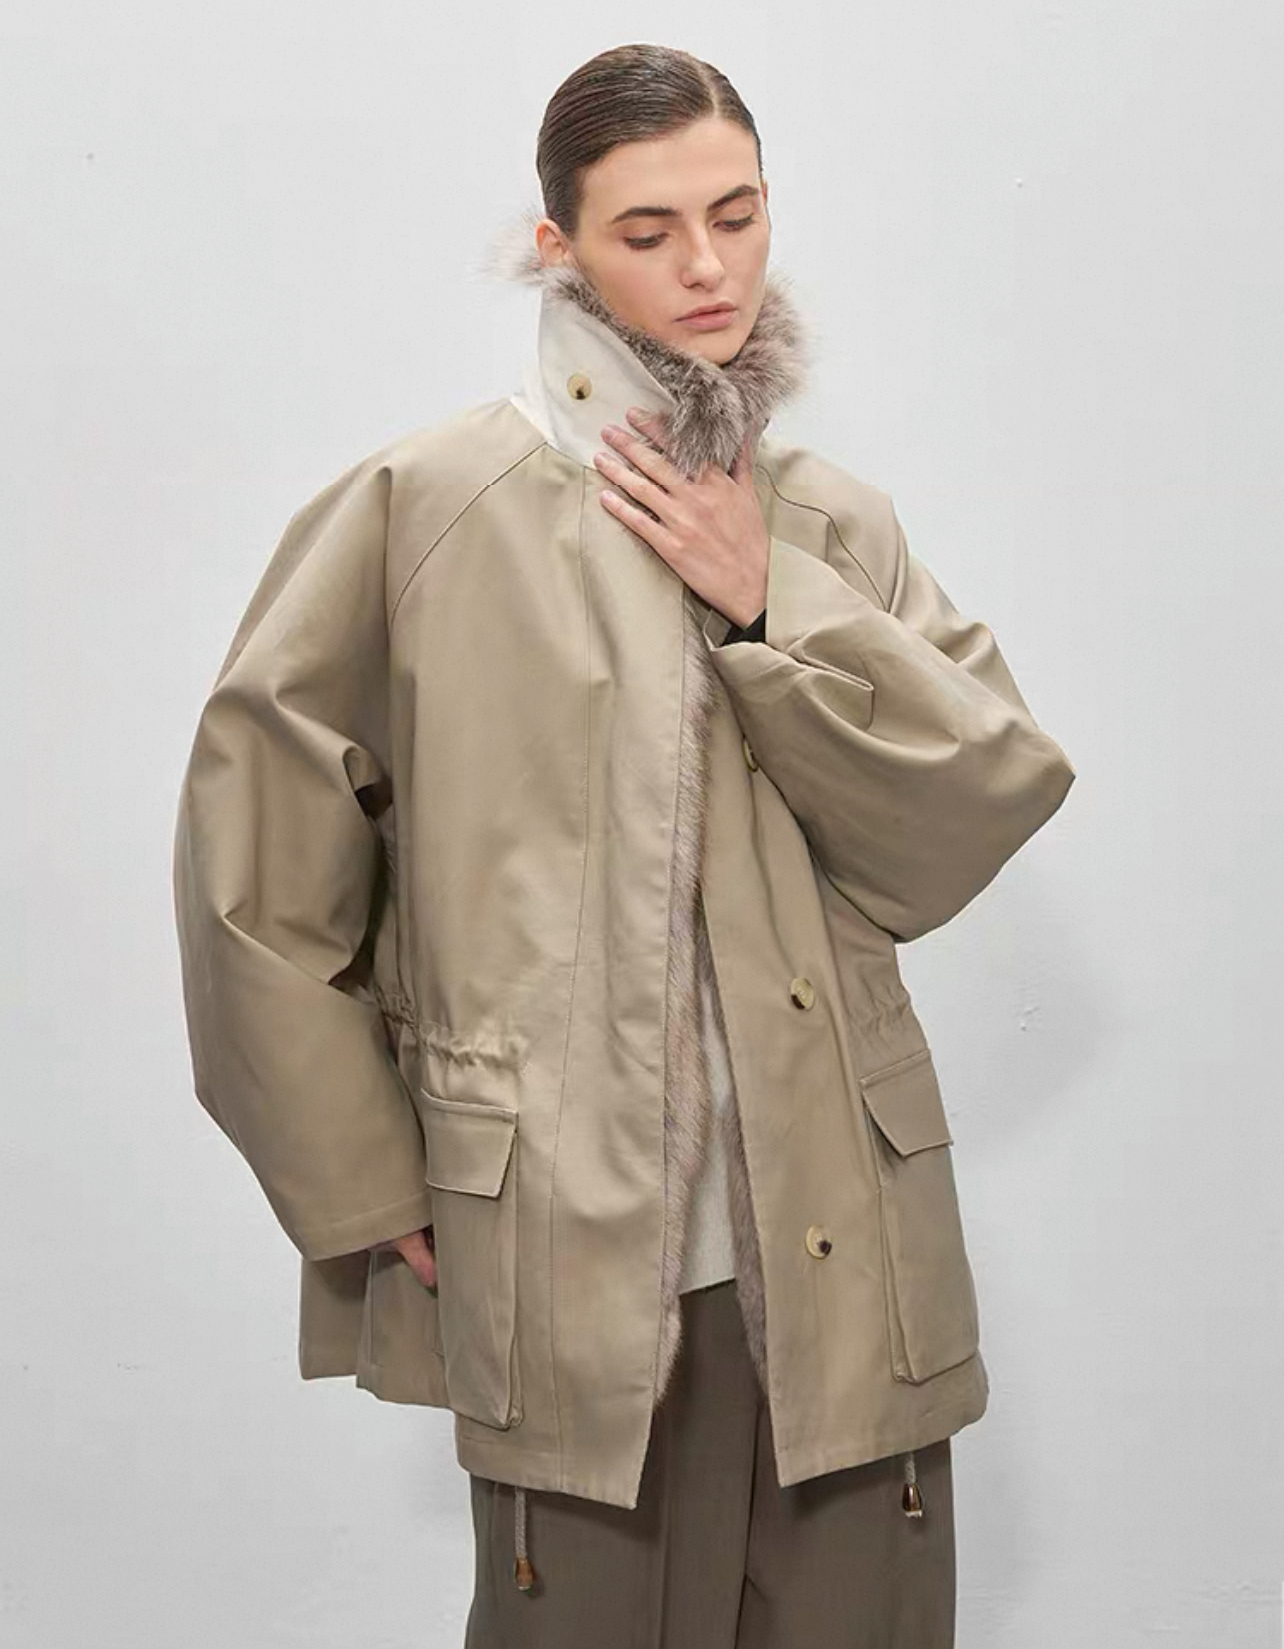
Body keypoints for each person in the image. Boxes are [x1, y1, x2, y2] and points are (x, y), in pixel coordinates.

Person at [171, 42, 1075, 1649]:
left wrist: (772, 597)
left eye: (738, 214)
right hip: (564, 1251)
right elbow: (250, 873)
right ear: (559, 245)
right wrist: (359, 1174)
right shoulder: (425, 509)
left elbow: (967, 812)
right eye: (650, 230)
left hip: (841, 1243)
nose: (709, 266)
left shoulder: (827, 523)